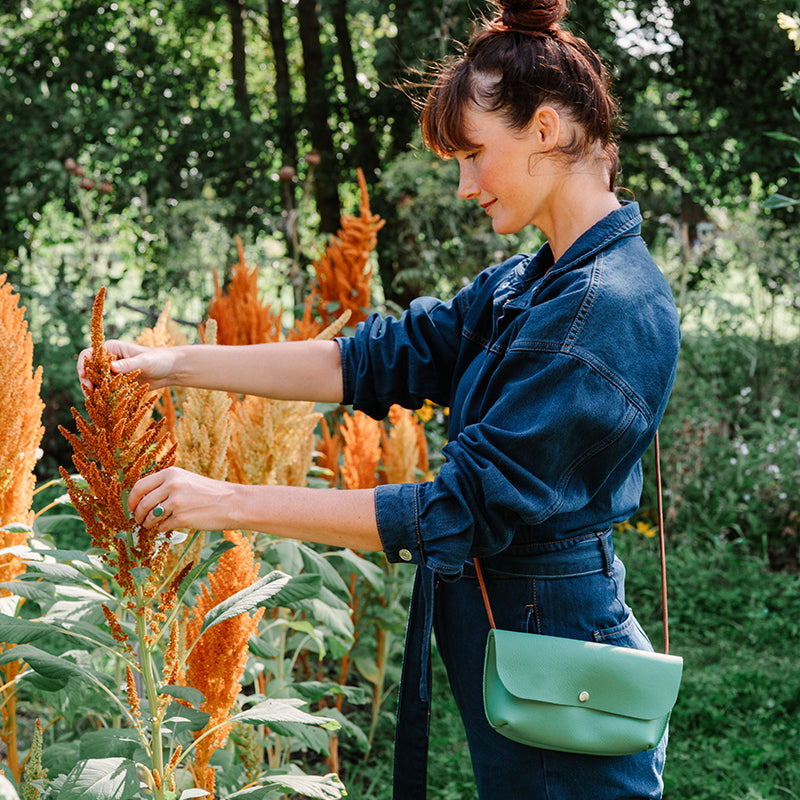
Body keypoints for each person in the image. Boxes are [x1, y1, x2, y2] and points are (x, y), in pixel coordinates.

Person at [77, 0, 680, 796]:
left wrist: (222, 500)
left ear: (543, 131)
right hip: (523, 634)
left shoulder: (606, 310)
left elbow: (453, 513)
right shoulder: (536, 281)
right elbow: (375, 361)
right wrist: (171, 363)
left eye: (472, 154)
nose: (465, 185)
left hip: (557, 649)